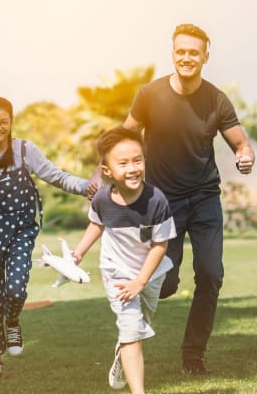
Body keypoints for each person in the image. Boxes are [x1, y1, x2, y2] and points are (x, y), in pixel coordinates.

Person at [121, 23, 255, 374]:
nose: (186, 58)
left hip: (204, 198)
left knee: (211, 274)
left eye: (194, 52)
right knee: (163, 284)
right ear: (173, 53)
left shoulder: (216, 99)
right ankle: (156, 296)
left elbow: (240, 143)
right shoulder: (150, 94)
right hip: (162, 204)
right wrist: (104, 173)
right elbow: (125, 134)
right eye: (181, 51)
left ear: (205, 56)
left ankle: (193, 356)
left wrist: (245, 155)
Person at [0, 96, 94, 384]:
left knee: (15, 288)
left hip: (23, 229)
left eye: (4, 122)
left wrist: (87, 186)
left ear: (11, 122)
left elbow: (56, 176)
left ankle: (13, 321)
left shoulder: (25, 149)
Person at [73, 127, 176, 394]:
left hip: (150, 274)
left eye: (137, 160)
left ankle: (122, 355)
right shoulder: (103, 199)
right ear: (107, 170)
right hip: (116, 272)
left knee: (140, 328)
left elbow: (160, 245)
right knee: (132, 330)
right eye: (123, 163)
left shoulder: (157, 200)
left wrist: (141, 281)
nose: (133, 168)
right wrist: (79, 252)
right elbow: (97, 225)